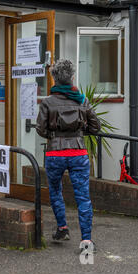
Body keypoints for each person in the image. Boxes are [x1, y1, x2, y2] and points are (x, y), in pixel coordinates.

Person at [36, 59, 101, 252]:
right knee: (83, 197)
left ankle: (62, 228)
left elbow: (40, 129)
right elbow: (96, 127)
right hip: (78, 152)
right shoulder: (82, 100)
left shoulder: (47, 102)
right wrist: (78, 134)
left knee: (55, 191)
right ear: (72, 78)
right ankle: (86, 241)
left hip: (55, 153)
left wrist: (55, 136)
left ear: (54, 79)